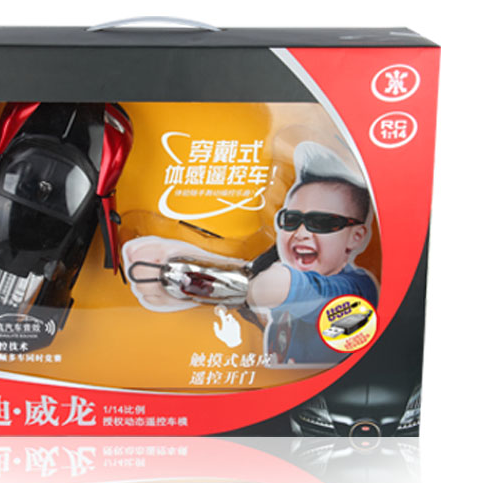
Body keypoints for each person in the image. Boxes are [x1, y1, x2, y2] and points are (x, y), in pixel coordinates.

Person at [124, 141, 378, 364]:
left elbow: (278, 287)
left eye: (321, 222)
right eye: (291, 220)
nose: (301, 232)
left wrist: (203, 279)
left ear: (356, 236)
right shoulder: (280, 291)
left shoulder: (355, 290)